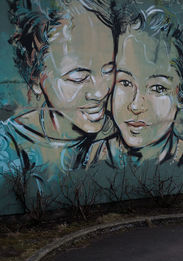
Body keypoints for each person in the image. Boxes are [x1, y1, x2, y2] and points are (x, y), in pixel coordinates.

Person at [0, 0, 116, 213]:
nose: (101, 92)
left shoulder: (124, 130)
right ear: (36, 77)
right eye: (79, 77)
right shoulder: (9, 147)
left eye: (109, 70)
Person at [90, 0, 183, 171]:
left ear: (182, 95)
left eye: (158, 88)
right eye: (125, 82)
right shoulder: (87, 160)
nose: (135, 105)